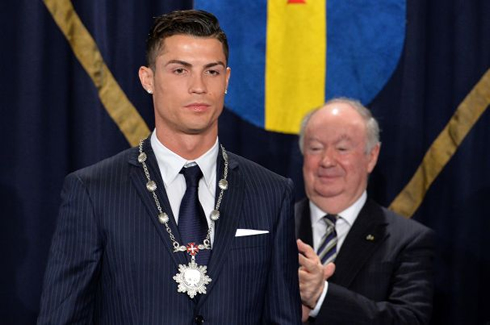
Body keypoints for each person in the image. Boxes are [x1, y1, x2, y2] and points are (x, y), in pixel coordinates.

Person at [38, 10, 301, 324]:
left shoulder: (272, 192)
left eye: (212, 72)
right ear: (147, 79)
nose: (199, 86)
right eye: (180, 70)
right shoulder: (93, 191)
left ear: (227, 80)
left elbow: (282, 317)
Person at [295, 98, 434, 324]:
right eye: (315, 148)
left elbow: (410, 319)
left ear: (371, 156)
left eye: (342, 148)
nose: (327, 161)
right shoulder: (272, 226)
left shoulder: (409, 241)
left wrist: (321, 297)